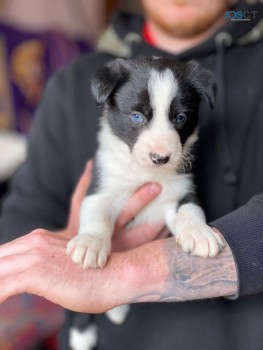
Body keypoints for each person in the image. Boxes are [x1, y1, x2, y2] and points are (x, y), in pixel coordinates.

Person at [0, 0, 263, 349]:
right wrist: (73, 244)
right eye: (138, 117)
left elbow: (247, 13)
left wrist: (130, 273)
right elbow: (17, 242)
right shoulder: (73, 81)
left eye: (179, 118)